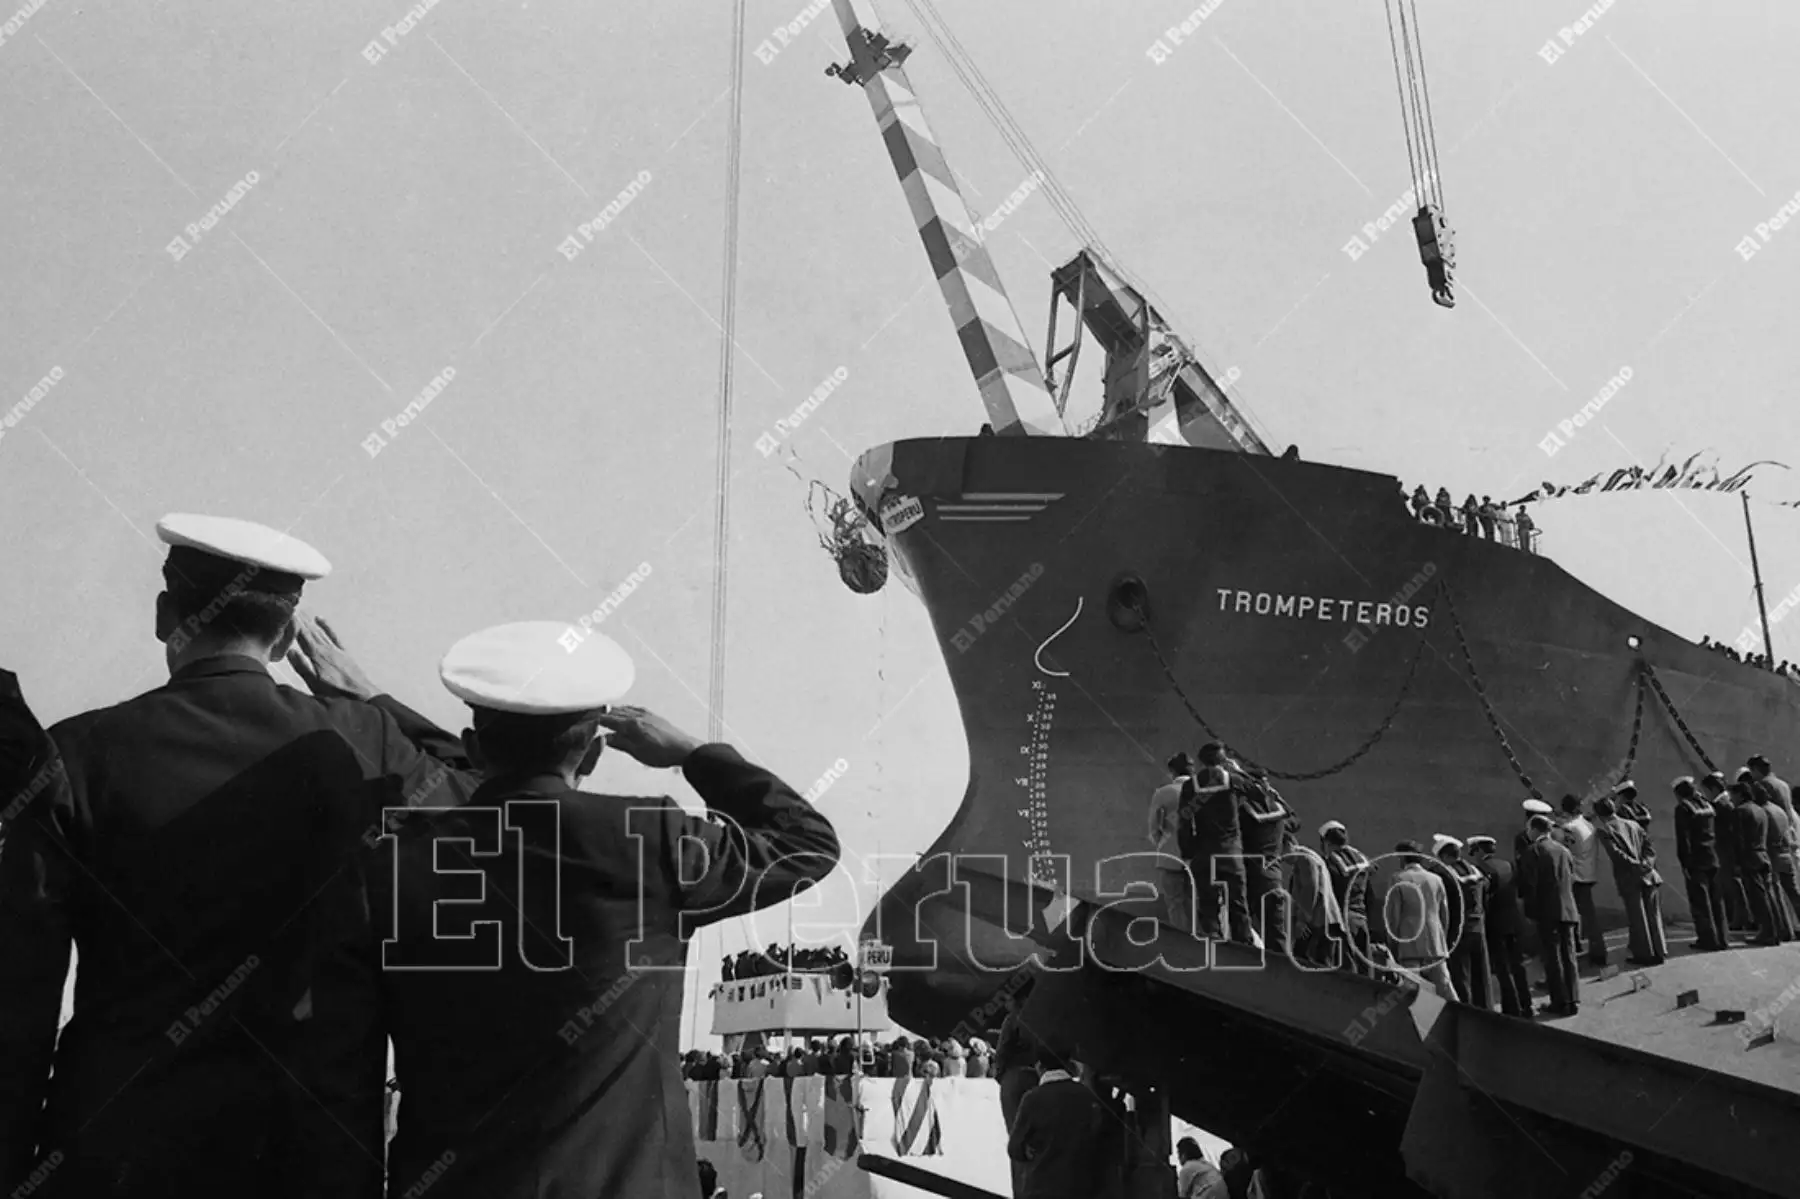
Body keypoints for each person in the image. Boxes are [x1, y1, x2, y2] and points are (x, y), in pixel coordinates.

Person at [0, 514, 479, 1199]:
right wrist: (372, 697)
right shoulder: (364, 744)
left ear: (167, 615)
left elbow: (19, 999)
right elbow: (495, 802)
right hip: (309, 1154)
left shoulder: (74, 753)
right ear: (286, 636)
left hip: (118, 1151)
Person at [362, 621, 840, 1199]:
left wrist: (376, 704)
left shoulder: (395, 859)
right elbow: (806, 844)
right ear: (592, 751)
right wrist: (695, 754)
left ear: (475, 742)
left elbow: (483, 785)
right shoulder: (651, 839)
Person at [1007, 1040, 1105, 1199]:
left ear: (1039, 1066)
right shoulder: (1086, 1095)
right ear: (1068, 1063)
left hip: (1041, 1188)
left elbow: (1015, 1148)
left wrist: (1026, 1151)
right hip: (1080, 1188)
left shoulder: (1033, 1098)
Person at [1182, 744, 1254, 945]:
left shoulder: (1190, 786)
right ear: (1224, 761)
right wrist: (1238, 771)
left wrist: (1188, 852)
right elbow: (1258, 791)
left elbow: (1184, 822)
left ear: (1201, 762)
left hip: (1204, 853)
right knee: (1238, 904)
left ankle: (1213, 942)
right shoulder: (1233, 781)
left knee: (1208, 904)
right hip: (1232, 853)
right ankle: (1244, 948)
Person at [1519, 815, 1580, 1016]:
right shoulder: (1564, 850)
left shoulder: (1533, 851)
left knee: (1553, 958)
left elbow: (1530, 885)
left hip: (1548, 912)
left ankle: (1559, 1002)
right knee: (1569, 956)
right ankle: (1572, 999)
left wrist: (1530, 912)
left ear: (1535, 830)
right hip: (1568, 909)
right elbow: (1570, 877)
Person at [1594, 796, 1666, 965]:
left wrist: (1635, 866)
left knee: (1638, 918)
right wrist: (1646, 864)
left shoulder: (1605, 830)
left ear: (1599, 815)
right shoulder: (1634, 824)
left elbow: (1616, 855)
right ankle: (1660, 950)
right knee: (1654, 915)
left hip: (1629, 877)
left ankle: (1644, 955)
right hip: (1649, 874)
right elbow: (1649, 847)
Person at [1465, 837, 1529, 1016]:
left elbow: (1482, 898)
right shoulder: (1508, 864)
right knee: (1518, 963)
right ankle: (1526, 1004)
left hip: (1495, 923)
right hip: (1514, 920)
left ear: (1478, 851)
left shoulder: (1481, 870)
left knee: (1502, 967)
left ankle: (1513, 1008)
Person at [1233, 762, 1291, 954]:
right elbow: (1294, 819)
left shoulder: (1245, 813)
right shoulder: (1278, 811)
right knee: (1277, 937)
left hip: (1251, 880)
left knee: (1242, 935)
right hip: (1274, 879)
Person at [1384, 843, 1455, 1000]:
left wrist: (1392, 943)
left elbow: (1393, 916)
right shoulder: (1436, 879)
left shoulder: (1398, 878)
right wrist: (1442, 939)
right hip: (1435, 942)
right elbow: (1444, 914)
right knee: (1444, 985)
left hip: (1409, 942)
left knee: (1410, 989)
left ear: (1402, 857)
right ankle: (1461, 1017)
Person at [1671, 776, 1728, 951]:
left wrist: (1685, 864)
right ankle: (1722, 938)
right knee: (1717, 901)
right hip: (1713, 857)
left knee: (1700, 903)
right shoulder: (1708, 806)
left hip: (1696, 861)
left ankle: (1708, 939)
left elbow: (1684, 839)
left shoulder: (1683, 809)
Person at [1434, 836, 1491, 1010]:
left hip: (1458, 931)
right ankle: (1486, 1011)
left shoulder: (1444, 874)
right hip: (1478, 928)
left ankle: (1467, 1013)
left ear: (1444, 856)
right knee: (1481, 976)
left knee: (1461, 976)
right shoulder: (1475, 871)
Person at [1552, 794, 1606, 967]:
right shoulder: (1587, 824)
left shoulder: (1569, 828)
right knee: (1588, 916)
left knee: (1576, 916)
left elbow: (1561, 847)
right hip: (1589, 873)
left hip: (1576, 877)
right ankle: (1591, 950)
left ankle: (1590, 952)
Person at [1148, 753, 1197, 931]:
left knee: (1175, 903)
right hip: (1200, 855)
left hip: (1170, 854)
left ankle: (1183, 942)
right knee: (1202, 901)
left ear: (1172, 771)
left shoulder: (1163, 792)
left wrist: (1162, 843)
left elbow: (1154, 828)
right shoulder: (1205, 791)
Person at [1733, 780, 1782, 946]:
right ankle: (1774, 931)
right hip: (1763, 855)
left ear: (1740, 794)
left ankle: (1766, 933)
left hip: (1749, 858)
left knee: (1758, 898)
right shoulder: (1760, 810)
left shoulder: (1740, 811)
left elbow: (1739, 839)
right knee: (1768, 896)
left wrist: (1737, 862)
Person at [1320, 822, 1372, 975]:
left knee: (1347, 968)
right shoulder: (1361, 860)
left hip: (1342, 919)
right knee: (1365, 967)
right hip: (1361, 918)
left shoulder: (1331, 863)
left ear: (1326, 842)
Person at [1703, 774, 1751, 932]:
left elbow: (1730, 831)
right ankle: (1736, 918)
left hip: (1727, 851)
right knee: (1728, 886)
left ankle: (1740, 919)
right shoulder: (1722, 804)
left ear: (1714, 789)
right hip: (1724, 850)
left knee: (1733, 886)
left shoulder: (1723, 805)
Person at [994, 981, 1041, 1136]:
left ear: (1018, 999)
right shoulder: (1041, 1018)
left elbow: (1002, 1051)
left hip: (1013, 1077)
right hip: (1037, 1077)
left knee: (1016, 1133)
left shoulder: (1012, 1019)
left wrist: (1001, 1075)